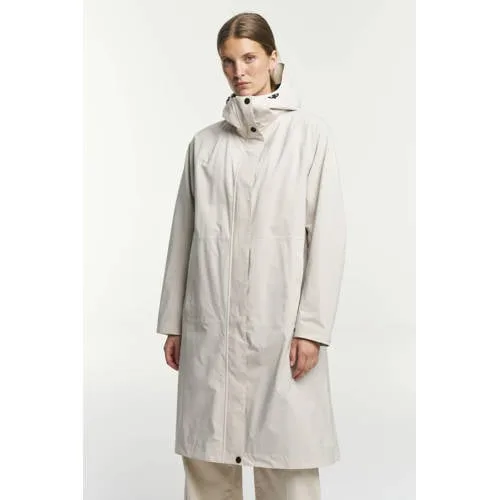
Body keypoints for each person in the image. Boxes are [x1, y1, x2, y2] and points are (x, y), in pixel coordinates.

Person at [156, 11, 346, 500]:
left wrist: (311, 328)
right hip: (210, 325)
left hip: (279, 325)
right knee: (208, 459)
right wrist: (175, 323)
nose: (239, 71)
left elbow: (328, 238)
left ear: (273, 57)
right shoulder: (204, 145)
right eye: (228, 61)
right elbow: (183, 236)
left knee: (287, 459)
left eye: (249, 58)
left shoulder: (309, 136)